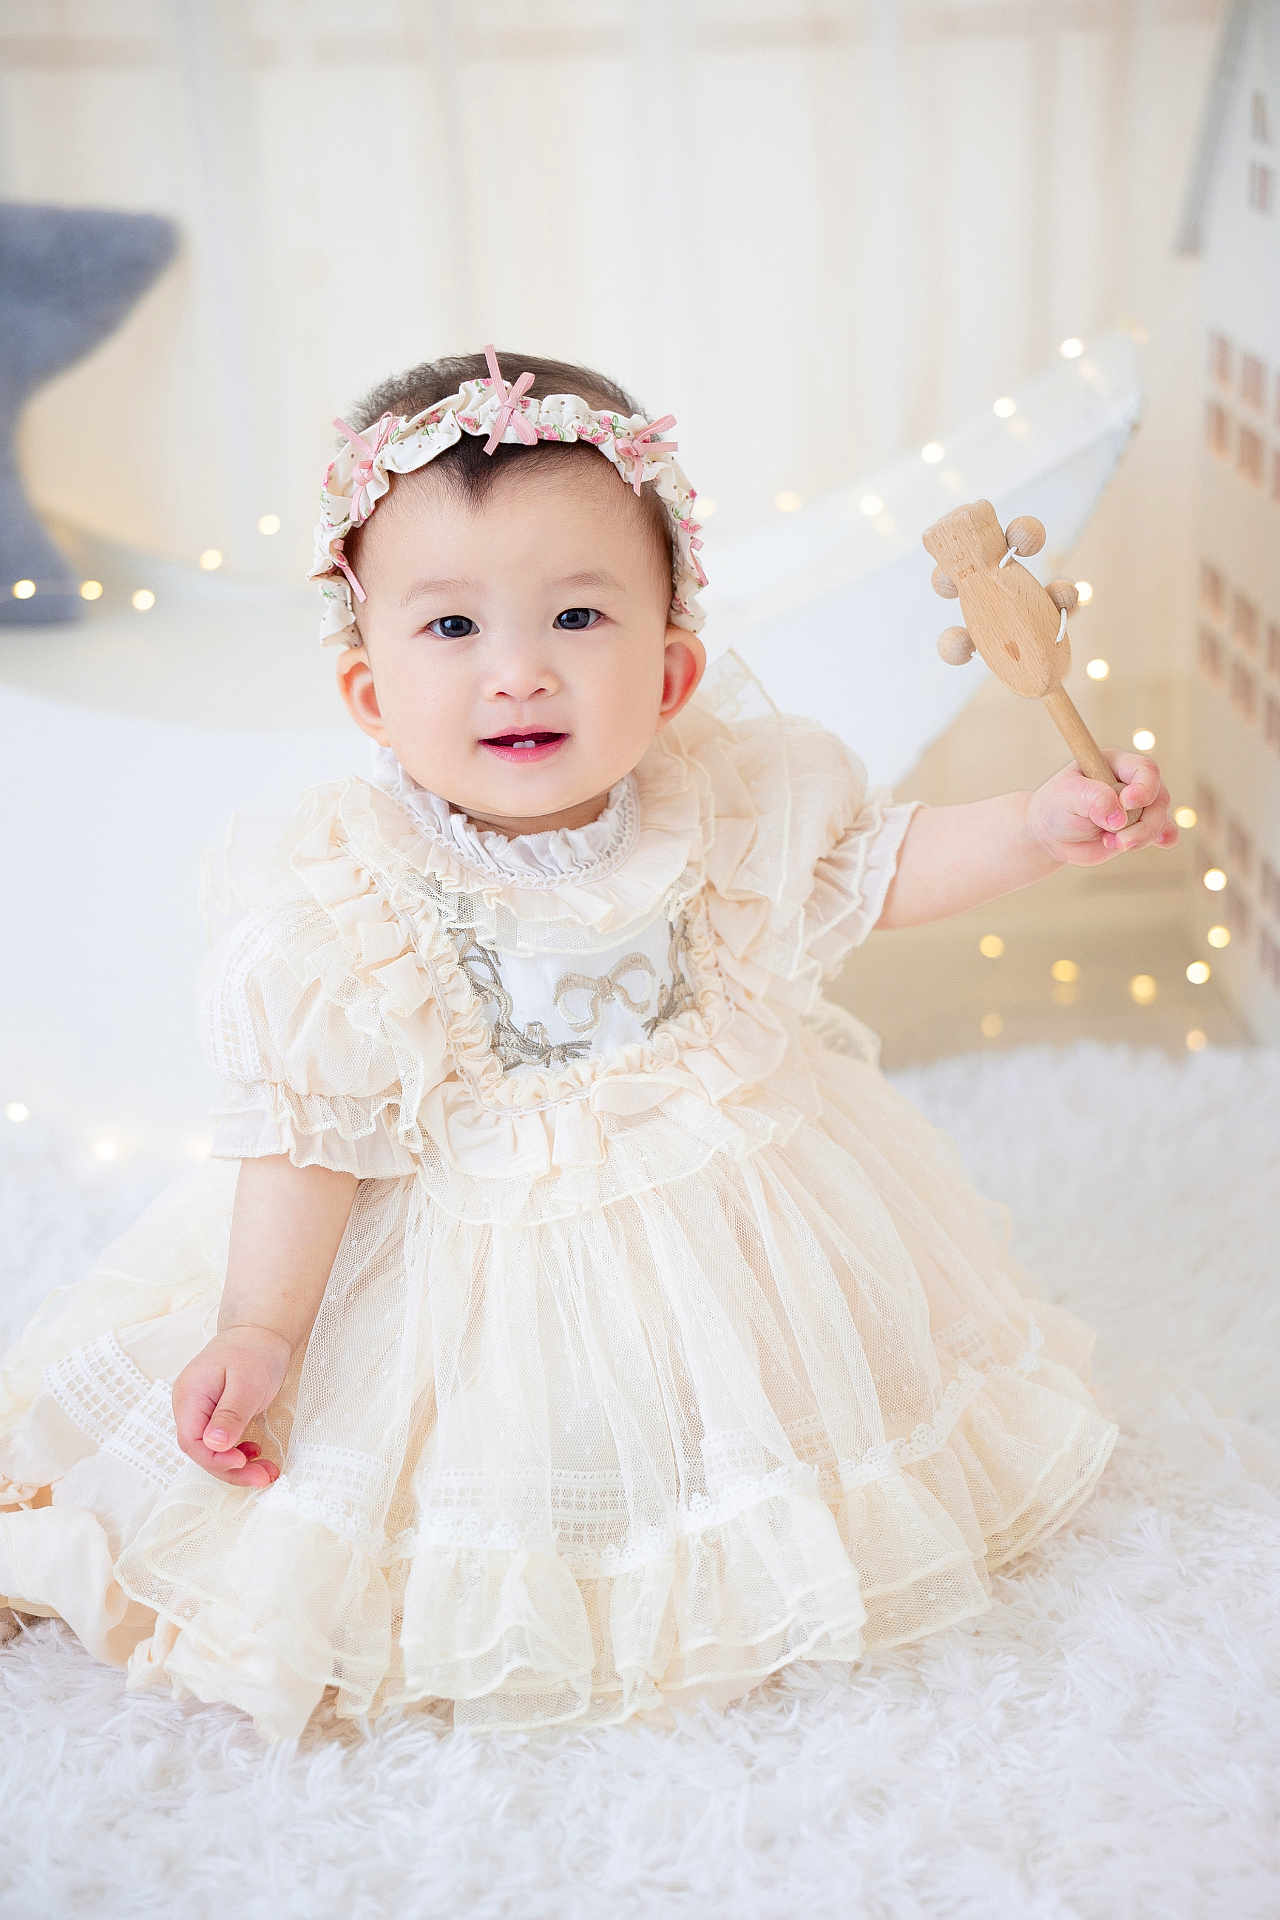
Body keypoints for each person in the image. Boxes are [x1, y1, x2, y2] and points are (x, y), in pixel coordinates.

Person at [0, 346, 1179, 1741]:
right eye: (450, 630)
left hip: (724, 1193)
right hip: (465, 1226)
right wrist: (261, 1328)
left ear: (672, 670)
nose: (518, 675)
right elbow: (309, 1139)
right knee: (444, 1446)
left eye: (575, 615)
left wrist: (1035, 828)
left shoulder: (724, 802)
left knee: (758, 1397)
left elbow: (866, 872)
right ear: (370, 692)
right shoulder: (348, 898)